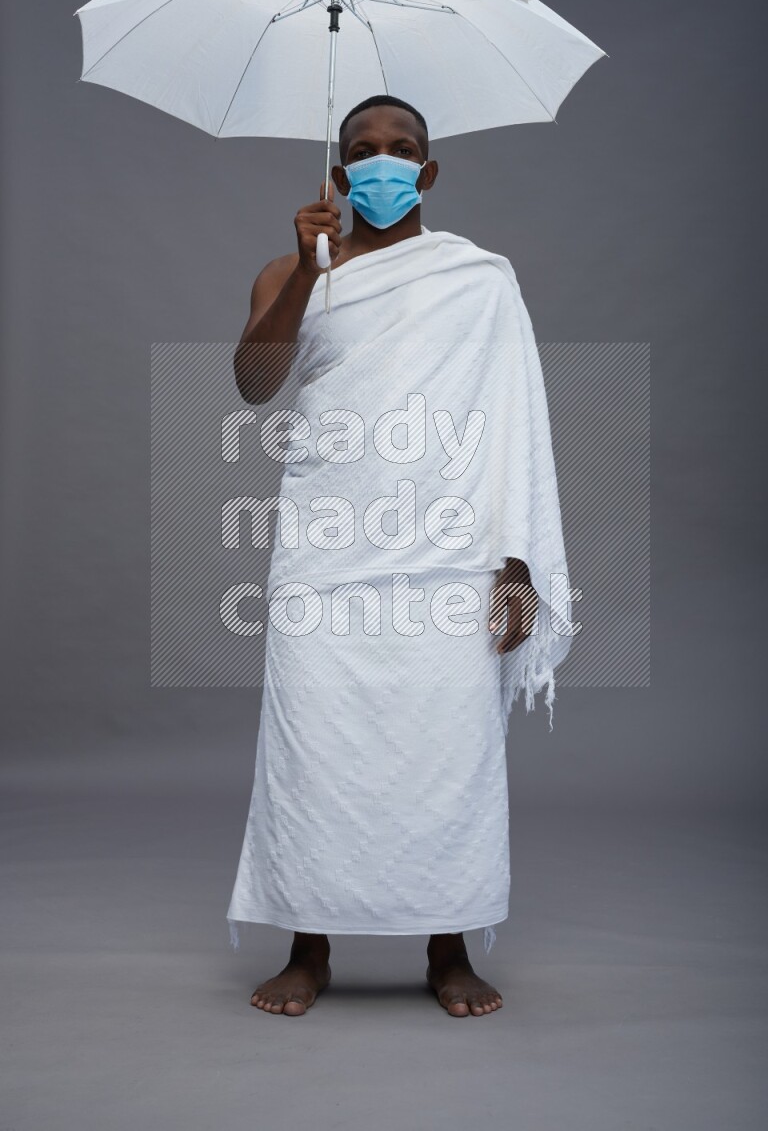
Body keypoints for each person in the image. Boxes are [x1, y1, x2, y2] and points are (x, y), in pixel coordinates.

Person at [227, 94, 573, 1017]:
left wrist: (517, 559)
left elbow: (513, 419)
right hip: (328, 550)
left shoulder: (478, 278)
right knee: (315, 743)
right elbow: (257, 384)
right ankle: (308, 943)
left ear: (429, 170)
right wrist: (305, 270)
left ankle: (448, 945)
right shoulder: (295, 272)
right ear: (338, 175)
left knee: (445, 747)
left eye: (403, 149)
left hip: (447, 550)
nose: (384, 163)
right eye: (363, 152)